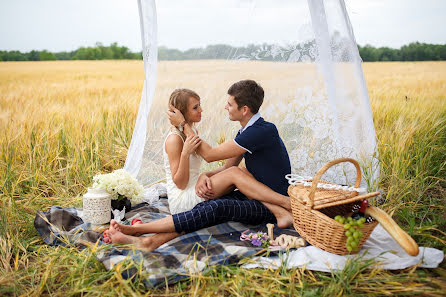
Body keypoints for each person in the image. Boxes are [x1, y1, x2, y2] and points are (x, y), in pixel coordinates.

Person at [107, 80, 293, 251]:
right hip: (254, 195)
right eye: (196, 107)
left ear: (244, 109)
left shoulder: (261, 131)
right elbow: (227, 169)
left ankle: (286, 207)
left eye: (229, 104)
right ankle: (149, 241)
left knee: (219, 203)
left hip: (268, 202)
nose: (225, 107)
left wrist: (184, 126)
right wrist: (206, 176)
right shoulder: (246, 133)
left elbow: (211, 156)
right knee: (213, 206)